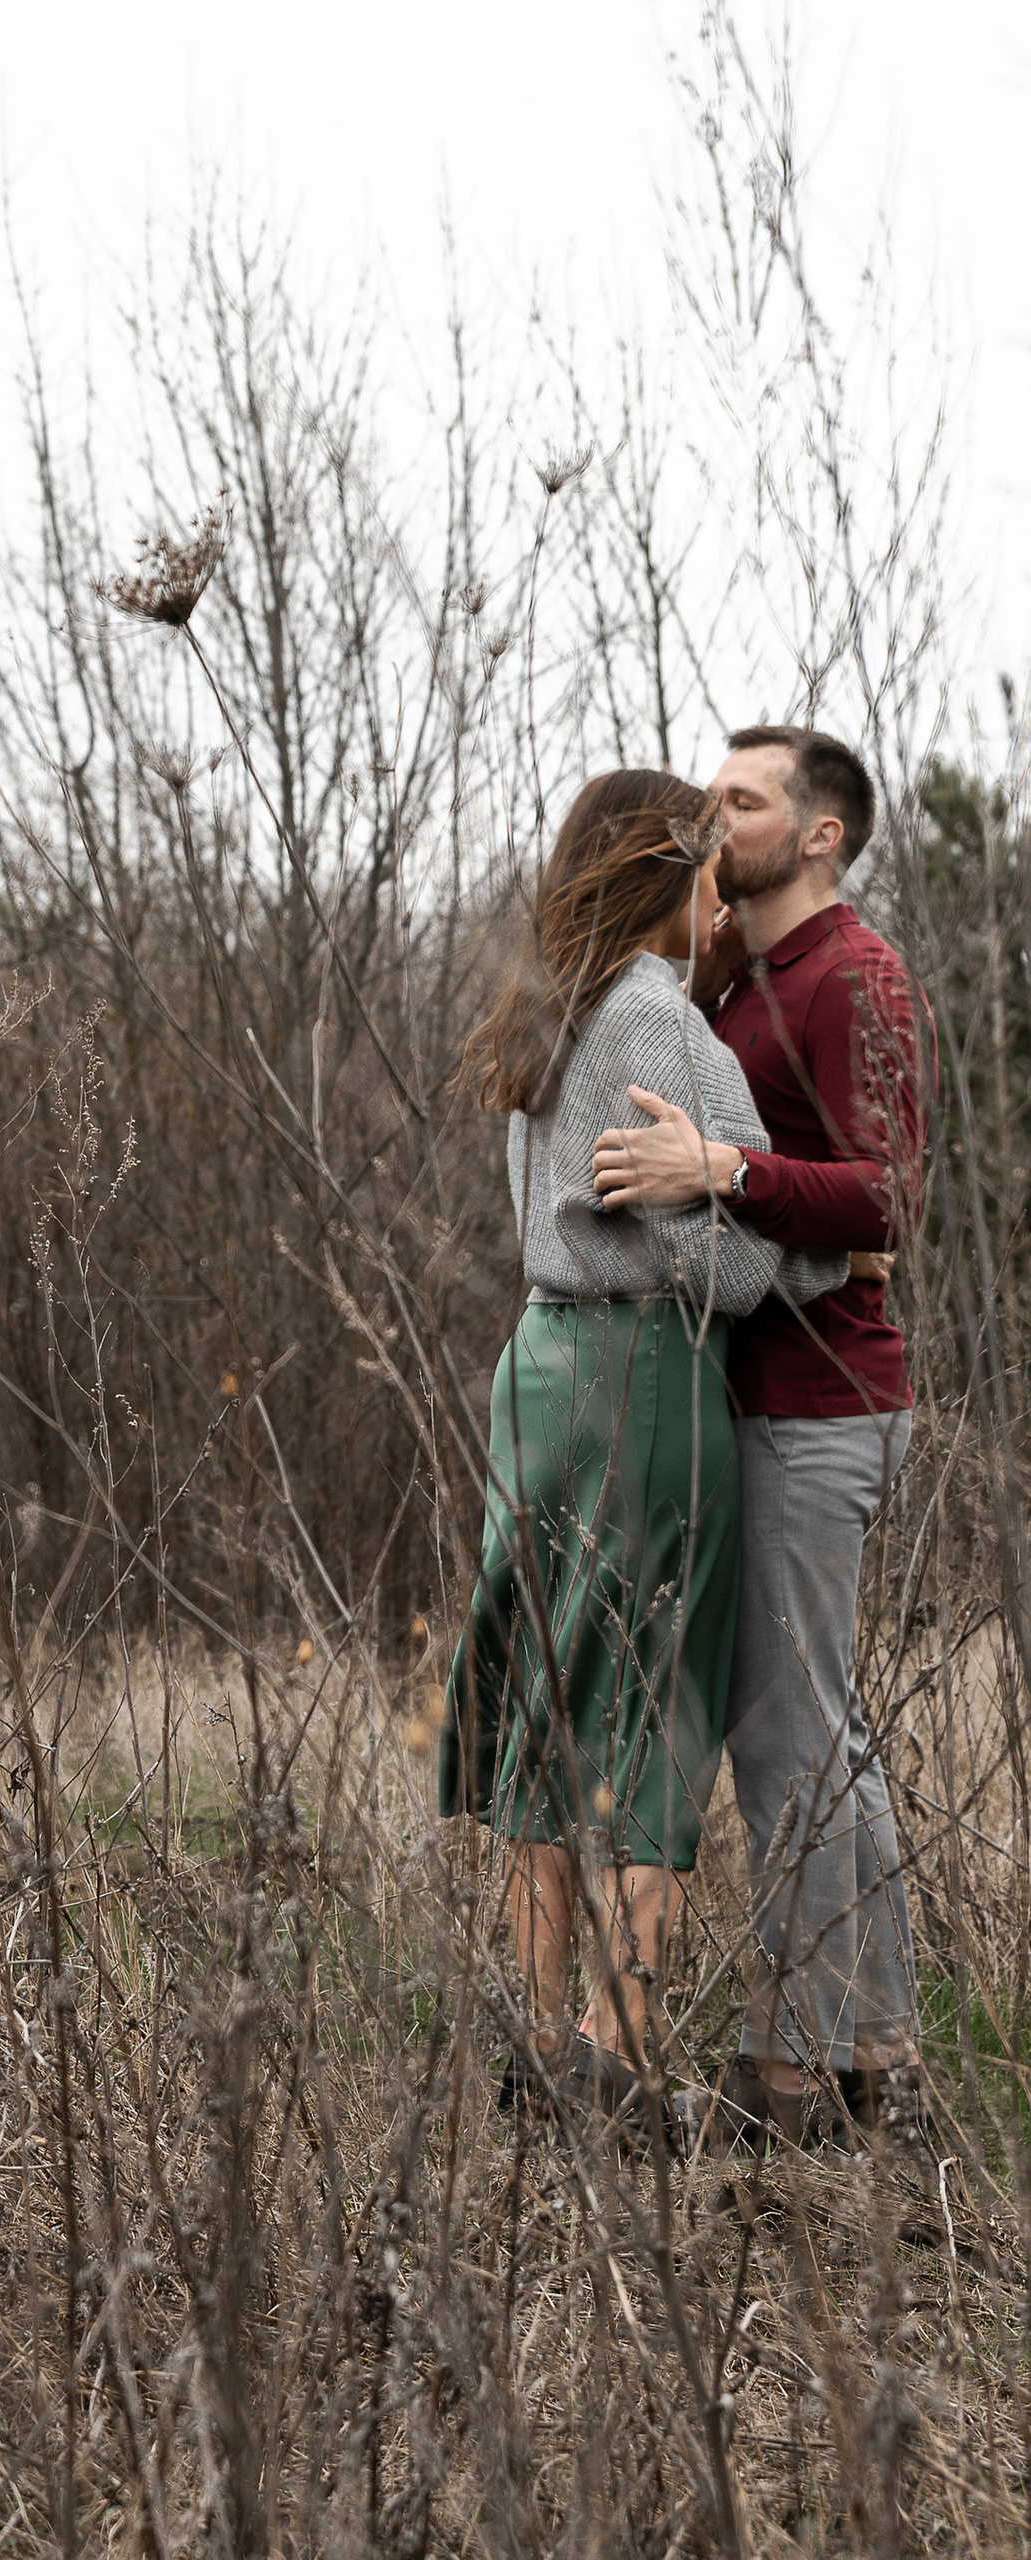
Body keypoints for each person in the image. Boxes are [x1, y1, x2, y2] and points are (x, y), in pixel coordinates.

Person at [443, 769, 845, 2130]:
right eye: (708, 882)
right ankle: (617, 2058)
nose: (721, 908)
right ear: (663, 881)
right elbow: (725, 1272)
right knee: (654, 1707)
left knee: (547, 1703)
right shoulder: (661, 1028)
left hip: (538, 1378)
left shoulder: (540, 1014)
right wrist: (826, 1243)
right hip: (644, 1387)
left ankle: (545, 2038)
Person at [594, 724, 930, 2149]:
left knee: (795, 1739)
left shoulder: (856, 975)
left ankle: (821, 2078)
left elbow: (891, 1198)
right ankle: (852, 2058)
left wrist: (718, 1170)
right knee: (803, 1733)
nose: (713, 814)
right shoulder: (741, 975)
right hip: (752, 1396)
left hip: (823, 1400)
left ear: (821, 834)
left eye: (743, 800)